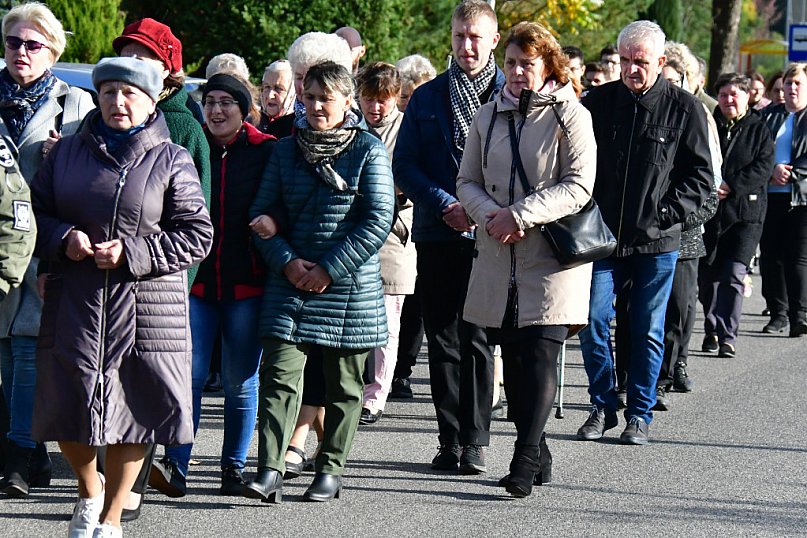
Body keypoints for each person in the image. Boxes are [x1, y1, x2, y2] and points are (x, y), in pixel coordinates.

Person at [29, 56, 212, 538]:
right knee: (68, 403)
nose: (118, 101)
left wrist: (133, 252)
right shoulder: (64, 153)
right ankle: (89, 492)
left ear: (153, 100)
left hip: (147, 304)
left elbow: (196, 234)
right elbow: (37, 217)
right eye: (109, 91)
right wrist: (63, 237)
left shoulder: (172, 157)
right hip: (78, 298)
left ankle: (112, 518)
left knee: (137, 410)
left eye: (130, 93)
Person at [242, 61, 394, 503]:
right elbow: (261, 215)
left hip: (348, 287)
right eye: (308, 97)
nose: (315, 106)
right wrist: (288, 263)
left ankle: (330, 468)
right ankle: (269, 467)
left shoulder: (369, 150)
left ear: (348, 101)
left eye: (325, 98)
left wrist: (328, 268)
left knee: (345, 385)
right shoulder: (284, 150)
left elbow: (377, 220)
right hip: (289, 284)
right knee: (279, 377)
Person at [456, 21, 594, 497]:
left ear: (548, 66)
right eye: (511, 63)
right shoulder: (487, 115)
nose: (516, 73)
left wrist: (521, 214)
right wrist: (490, 215)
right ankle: (539, 447)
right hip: (498, 254)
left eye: (527, 64)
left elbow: (578, 184)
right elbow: (466, 180)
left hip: (552, 257)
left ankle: (526, 455)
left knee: (539, 355)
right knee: (513, 360)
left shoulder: (570, 115)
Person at [577, 20, 713, 445]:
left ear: (660, 62)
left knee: (646, 328)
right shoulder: (598, 103)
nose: (632, 69)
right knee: (593, 320)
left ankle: (640, 413)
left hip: (657, 240)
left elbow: (701, 177)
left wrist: (666, 213)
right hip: (602, 237)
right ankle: (603, 404)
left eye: (641, 62)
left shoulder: (684, 108)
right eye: (626, 61)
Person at [153, 74, 275, 498]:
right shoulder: (193, 145)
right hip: (198, 283)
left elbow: (280, 200)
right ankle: (176, 465)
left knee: (242, 379)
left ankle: (233, 468)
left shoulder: (265, 150)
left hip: (247, 283)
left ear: (245, 109)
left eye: (227, 102)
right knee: (189, 374)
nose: (217, 110)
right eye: (210, 102)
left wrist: (273, 221)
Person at [394, 0, 502, 473]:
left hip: (494, 231)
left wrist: (482, 210)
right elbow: (406, 165)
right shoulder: (428, 97)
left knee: (478, 336)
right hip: (439, 229)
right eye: (460, 36)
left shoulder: (510, 94)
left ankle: (476, 438)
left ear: (493, 40)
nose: (467, 45)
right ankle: (450, 439)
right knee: (443, 339)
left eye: (476, 36)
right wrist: (444, 203)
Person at [111, 18, 211, 518]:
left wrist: (178, 288)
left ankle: (133, 485)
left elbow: (196, 223)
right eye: (128, 54)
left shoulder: (185, 126)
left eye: (144, 57)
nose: (133, 65)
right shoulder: (106, 118)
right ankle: (110, 477)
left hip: (162, 283)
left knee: (149, 379)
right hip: (106, 279)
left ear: (168, 71)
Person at [0, 1, 94, 498]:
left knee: (27, 349)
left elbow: (96, 178)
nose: (21, 52)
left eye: (33, 44)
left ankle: (17, 456)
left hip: (48, 242)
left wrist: (68, 156)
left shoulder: (76, 104)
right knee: (6, 354)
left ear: (52, 50)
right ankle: (31, 455)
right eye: (13, 42)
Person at [274, 30, 353, 479]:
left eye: (315, 80)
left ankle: (300, 442)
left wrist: (330, 263)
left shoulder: (357, 136)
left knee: (327, 360)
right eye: (300, 80)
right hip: (291, 260)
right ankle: (321, 443)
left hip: (340, 264)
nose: (305, 93)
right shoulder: (285, 130)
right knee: (294, 356)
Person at [354, 62, 416, 425]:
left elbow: (411, 176)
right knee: (354, 317)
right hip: (353, 232)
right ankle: (349, 388)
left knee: (387, 321)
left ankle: (375, 395)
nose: (375, 108)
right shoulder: (349, 126)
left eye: (383, 100)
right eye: (368, 99)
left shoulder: (407, 130)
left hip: (395, 233)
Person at [699, 73, 774, 357]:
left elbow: (764, 166)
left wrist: (731, 184)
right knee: (707, 278)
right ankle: (711, 328)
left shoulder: (759, 128)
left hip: (746, 214)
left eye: (735, 94)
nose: (729, 99)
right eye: (723, 94)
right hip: (710, 213)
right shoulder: (707, 124)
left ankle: (727, 335)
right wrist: (710, 184)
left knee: (734, 273)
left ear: (746, 96)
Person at [760, 63, 807, 337]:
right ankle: (777, 313)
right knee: (771, 257)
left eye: (798, 83)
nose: (792, 89)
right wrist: (771, 170)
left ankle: (798, 314)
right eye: (788, 83)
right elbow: (754, 151)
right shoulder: (768, 116)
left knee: (797, 258)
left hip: (801, 197)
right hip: (769, 196)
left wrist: (791, 172)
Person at [258, 60, 296, 139]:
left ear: (292, 93)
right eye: (267, 87)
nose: (270, 96)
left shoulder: (299, 130)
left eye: (279, 89)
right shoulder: (251, 124)